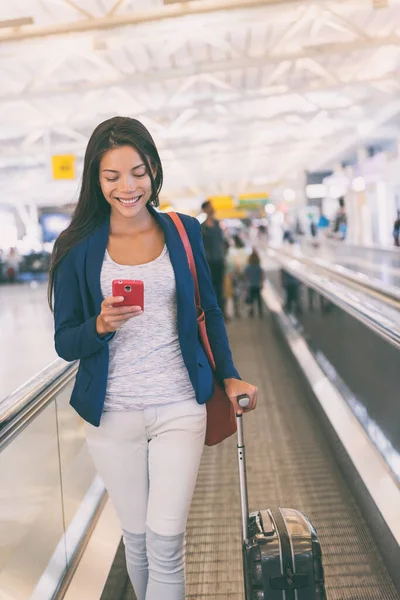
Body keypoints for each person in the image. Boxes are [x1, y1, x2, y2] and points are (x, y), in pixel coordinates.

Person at [48, 116, 258, 600]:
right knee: (138, 542)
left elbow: (209, 310)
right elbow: (65, 342)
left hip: (180, 405)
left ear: (154, 170)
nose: (128, 186)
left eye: (138, 172)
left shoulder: (182, 232)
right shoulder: (77, 248)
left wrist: (230, 376)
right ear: (95, 181)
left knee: (165, 542)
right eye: (112, 176)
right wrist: (99, 326)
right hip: (112, 416)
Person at [200, 200, 227, 314]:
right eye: (210, 207)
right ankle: (211, 312)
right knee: (210, 288)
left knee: (220, 287)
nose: (212, 209)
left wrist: (224, 256)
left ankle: (221, 312)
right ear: (205, 210)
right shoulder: (202, 228)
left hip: (219, 260)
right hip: (208, 262)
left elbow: (222, 242)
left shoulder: (217, 225)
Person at [245, 250, 264, 318]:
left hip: (250, 285)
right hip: (257, 285)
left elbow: (246, 276)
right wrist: (262, 283)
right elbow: (262, 276)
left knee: (251, 299)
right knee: (259, 299)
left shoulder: (248, 267)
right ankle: (260, 312)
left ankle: (252, 311)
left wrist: (246, 284)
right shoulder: (258, 267)